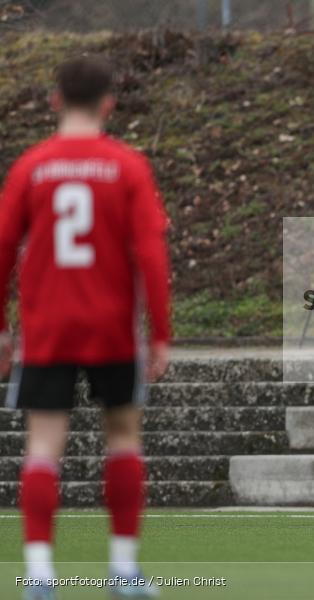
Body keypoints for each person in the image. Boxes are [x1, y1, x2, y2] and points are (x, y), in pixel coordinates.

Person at [0, 56, 171, 600]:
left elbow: (2, 250)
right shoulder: (127, 165)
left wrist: (1, 329)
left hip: (47, 329)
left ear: (55, 100)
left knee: (44, 447)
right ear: (108, 103)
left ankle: (42, 577)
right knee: (122, 438)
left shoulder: (32, 166)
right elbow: (150, 254)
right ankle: (122, 571)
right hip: (111, 329)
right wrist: (160, 332)